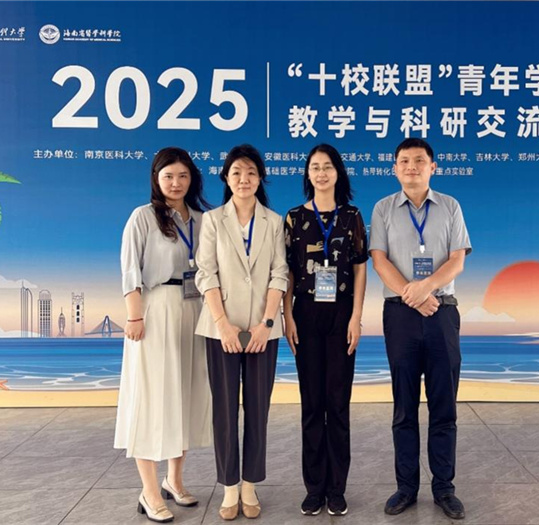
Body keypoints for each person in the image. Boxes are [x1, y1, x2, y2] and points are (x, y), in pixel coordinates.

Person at [369, 138, 471, 520]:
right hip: (400, 315)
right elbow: (379, 261)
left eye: (419, 160)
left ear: (433, 167)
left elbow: (457, 260)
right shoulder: (383, 209)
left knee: (444, 407)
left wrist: (425, 289)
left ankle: (444, 488)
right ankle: (406, 488)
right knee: (404, 407)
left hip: (441, 312)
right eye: (404, 161)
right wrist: (412, 296)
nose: (411, 166)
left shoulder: (451, 206)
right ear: (394, 168)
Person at [115, 147, 213, 523]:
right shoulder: (142, 217)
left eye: (183, 176)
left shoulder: (201, 220)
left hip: (194, 309)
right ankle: (150, 490)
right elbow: (130, 271)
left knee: (184, 395)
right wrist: (134, 316)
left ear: (193, 179)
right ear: (156, 179)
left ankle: (174, 480)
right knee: (152, 398)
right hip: (155, 310)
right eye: (168, 176)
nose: (176, 183)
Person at [194, 144, 289, 521]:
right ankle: (229, 488)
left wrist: (267, 323)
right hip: (221, 329)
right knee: (224, 410)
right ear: (226, 178)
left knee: (258, 409)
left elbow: (279, 273)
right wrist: (222, 324)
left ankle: (250, 485)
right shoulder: (212, 220)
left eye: (251, 172)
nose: (244, 179)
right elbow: (206, 273)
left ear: (260, 178)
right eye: (236, 172)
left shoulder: (274, 221)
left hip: (263, 331)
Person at [283, 144, 368, 517]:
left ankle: (337, 490)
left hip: (341, 314)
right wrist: (287, 316)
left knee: (338, 402)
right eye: (315, 167)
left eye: (328, 166)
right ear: (307, 174)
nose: (321, 173)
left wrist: (356, 317)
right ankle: (314, 488)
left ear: (338, 173)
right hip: (305, 313)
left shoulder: (351, 216)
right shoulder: (294, 218)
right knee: (312, 403)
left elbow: (360, 268)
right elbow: (287, 271)